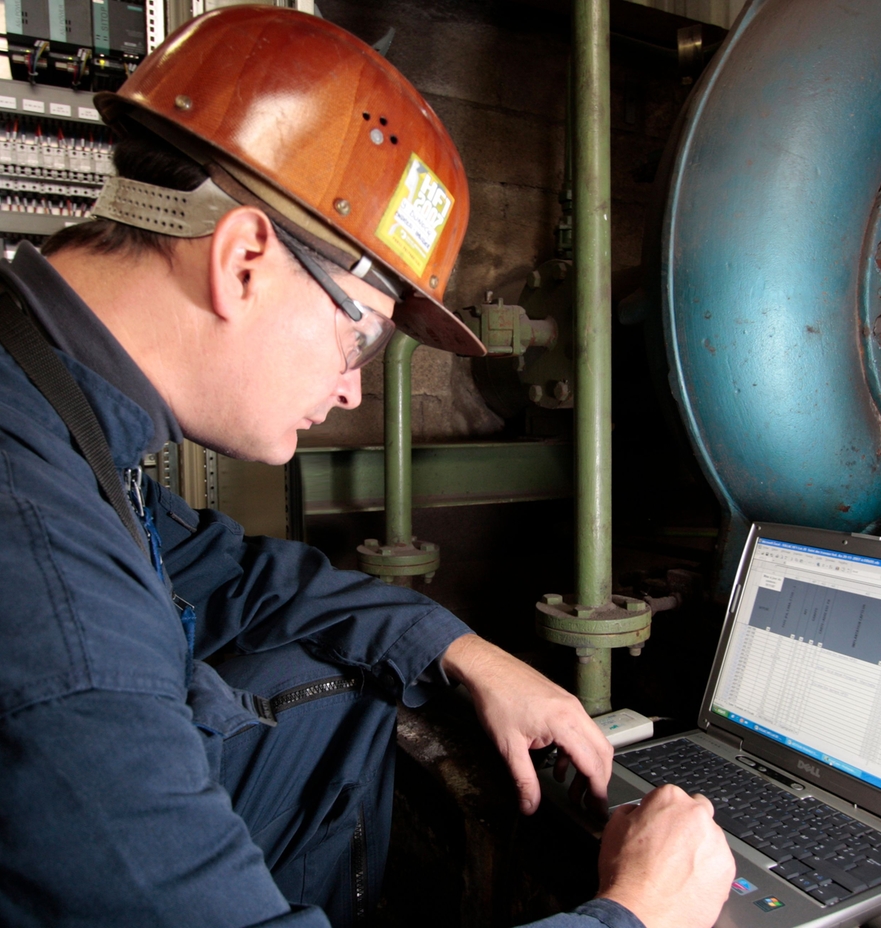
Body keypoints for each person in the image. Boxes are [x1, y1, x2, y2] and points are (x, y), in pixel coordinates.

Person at [0, 7, 734, 927]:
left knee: (341, 703)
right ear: (245, 261)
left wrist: (463, 651)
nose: (352, 392)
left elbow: (237, 574)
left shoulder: (49, 399)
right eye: (363, 337)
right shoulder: (46, 579)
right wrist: (642, 912)